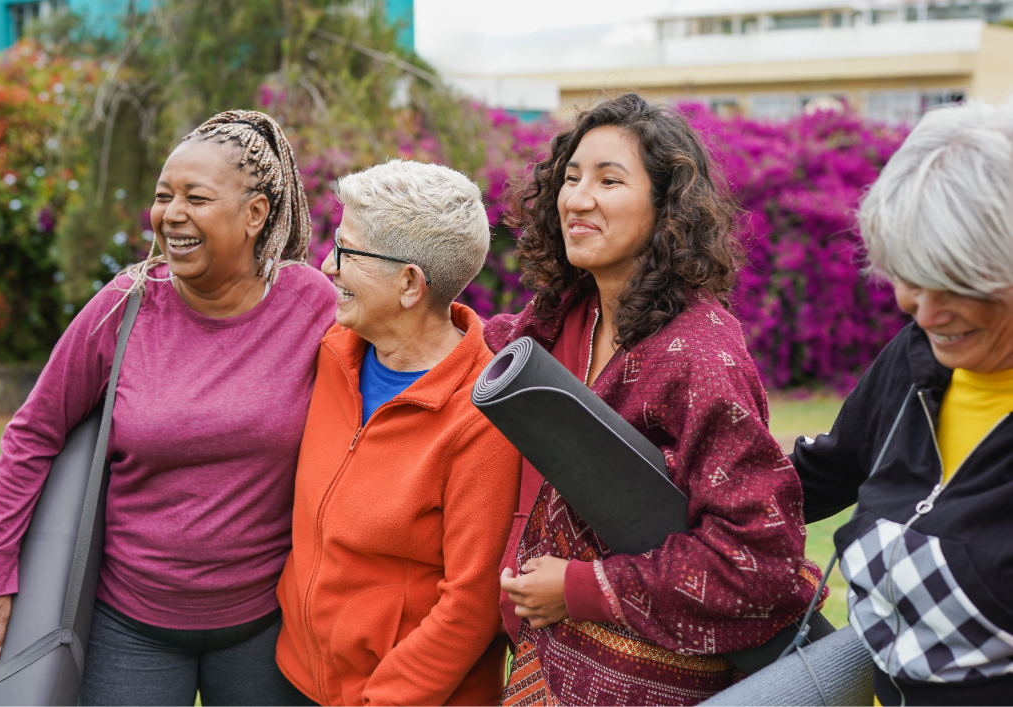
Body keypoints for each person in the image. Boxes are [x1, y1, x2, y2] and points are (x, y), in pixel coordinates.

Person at [0, 110, 336, 705]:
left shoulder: (314, 307)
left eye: (196, 197)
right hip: (129, 627)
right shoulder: (125, 306)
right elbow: (33, 433)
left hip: (270, 626)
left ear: (256, 214)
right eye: (163, 197)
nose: (171, 215)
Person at [485, 93, 822, 706]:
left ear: (667, 208)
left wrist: (583, 587)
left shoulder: (699, 354)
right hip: (544, 669)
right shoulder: (565, 315)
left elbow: (757, 561)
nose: (577, 198)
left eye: (610, 180)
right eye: (571, 176)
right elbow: (476, 350)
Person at [274, 159, 521, 706]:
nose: (327, 264)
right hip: (297, 680)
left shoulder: (481, 420)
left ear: (409, 283)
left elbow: (471, 605)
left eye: (346, 251)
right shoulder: (331, 356)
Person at [792, 100, 1013, 706]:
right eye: (910, 277)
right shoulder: (918, 355)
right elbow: (827, 472)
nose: (925, 311)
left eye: (958, 285)